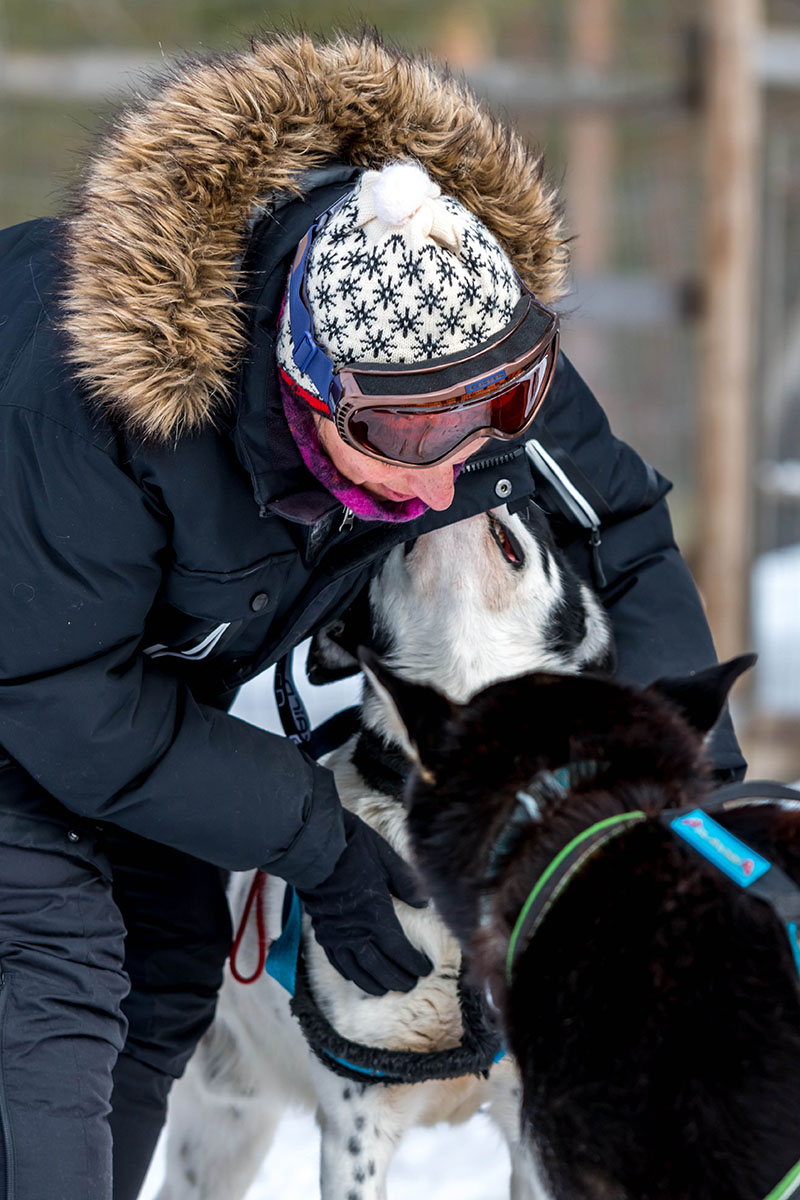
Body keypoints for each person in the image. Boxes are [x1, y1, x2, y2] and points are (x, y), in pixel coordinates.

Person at [0, 30, 745, 1200]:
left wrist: (686, 804)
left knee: (169, 968)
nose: (450, 478)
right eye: (406, 437)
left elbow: (626, 536)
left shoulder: (456, 339)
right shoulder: (93, 403)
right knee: (55, 985)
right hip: (31, 672)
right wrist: (321, 843)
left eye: (503, 407)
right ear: (308, 379)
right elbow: (56, 699)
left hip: (127, 693)